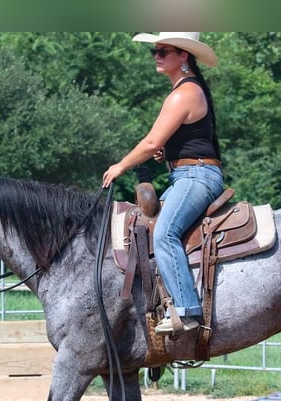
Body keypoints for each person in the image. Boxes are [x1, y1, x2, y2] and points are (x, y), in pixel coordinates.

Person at [102, 32, 223, 336]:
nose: (157, 55)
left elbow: (151, 140)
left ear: (184, 55)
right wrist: (167, 154)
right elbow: (179, 142)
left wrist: (121, 165)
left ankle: (187, 310)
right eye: (155, 51)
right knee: (146, 229)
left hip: (197, 176)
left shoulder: (185, 92)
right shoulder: (185, 90)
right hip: (186, 174)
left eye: (164, 51)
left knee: (165, 233)